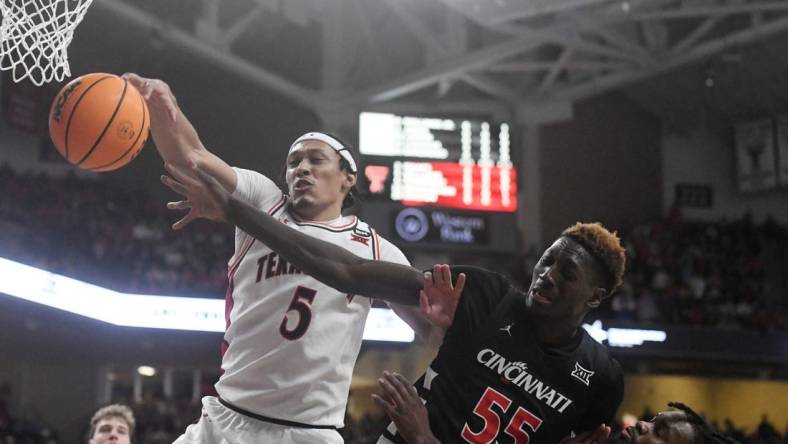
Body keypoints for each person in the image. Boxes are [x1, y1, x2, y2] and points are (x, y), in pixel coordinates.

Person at [159, 163, 627, 443]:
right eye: (547, 262)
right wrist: (235, 209)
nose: (547, 275)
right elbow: (347, 271)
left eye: (567, 274)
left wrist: (423, 435)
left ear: (596, 297)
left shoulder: (600, 378)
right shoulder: (484, 296)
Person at [122, 73, 439, 444]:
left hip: (308, 433)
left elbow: (433, 329)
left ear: (348, 178)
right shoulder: (264, 202)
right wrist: (162, 107)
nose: (301, 168)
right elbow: (190, 157)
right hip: (226, 419)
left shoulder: (375, 249)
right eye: (293, 162)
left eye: (316, 160)